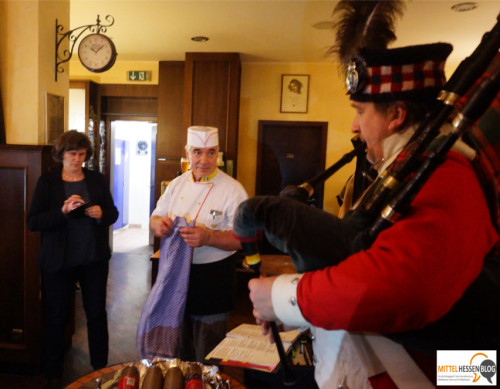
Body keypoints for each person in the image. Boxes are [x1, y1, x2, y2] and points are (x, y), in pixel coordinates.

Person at [234, 3, 499, 388]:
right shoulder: (409, 171)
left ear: (396, 116)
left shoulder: (447, 174)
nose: (354, 126)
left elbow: (401, 289)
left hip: (444, 373)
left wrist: (282, 297)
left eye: (360, 110)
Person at [27, 130, 118, 388]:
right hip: (58, 262)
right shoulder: (48, 182)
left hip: (93, 260)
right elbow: (33, 221)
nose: (77, 159)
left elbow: (112, 214)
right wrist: (63, 211)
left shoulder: (96, 179)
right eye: (72, 154)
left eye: (81, 154)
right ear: (61, 154)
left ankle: (101, 368)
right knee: (56, 316)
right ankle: (53, 372)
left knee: (97, 314)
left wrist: (101, 213)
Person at [149, 126, 248, 362]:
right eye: (197, 152)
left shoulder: (234, 190)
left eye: (211, 152)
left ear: (219, 154)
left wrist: (209, 237)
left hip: (213, 279)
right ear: (187, 153)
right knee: (177, 349)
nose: (204, 160)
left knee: (209, 352)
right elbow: (154, 218)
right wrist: (159, 225)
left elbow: (243, 239)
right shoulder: (177, 184)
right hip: (175, 274)